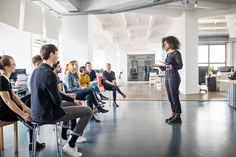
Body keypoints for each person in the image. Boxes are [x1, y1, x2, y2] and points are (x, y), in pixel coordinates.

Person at [30, 44, 93, 157]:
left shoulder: (36, 71)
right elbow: (57, 102)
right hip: (48, 114)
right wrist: (64, 101)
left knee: (70, 104)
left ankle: (64, 137)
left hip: (37, 112)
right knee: (88, 111)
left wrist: (72, 100)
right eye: (57, 54)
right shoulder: (50, 74)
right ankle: (71, 145)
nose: (58, 56)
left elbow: (56, 93)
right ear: (51, 54)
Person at [0, 55, 45, 151]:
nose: (15, 65)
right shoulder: (2, 80)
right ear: (7, 67)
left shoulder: (5, 78)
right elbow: (7, 101)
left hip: (8, 108)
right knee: (28, 107)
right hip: (4, 112)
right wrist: (22, 114)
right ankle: (31, 129)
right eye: (13, 64)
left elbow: (14, 96)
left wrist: (23, 105)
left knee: (31, 97)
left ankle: (32, 134)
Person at [153, 36, 183, 124]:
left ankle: (178, 116)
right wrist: (159, 66)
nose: (164, 45)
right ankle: (173, 113)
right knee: (170, 97)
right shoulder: (168, 54)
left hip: (174, 77)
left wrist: (171, 66)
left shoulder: (176, 53)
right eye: (164, 43)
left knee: (174, 97)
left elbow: (180, 66)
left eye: (166, 43)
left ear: (171, 43)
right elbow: (166, 68)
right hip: (168, 76)